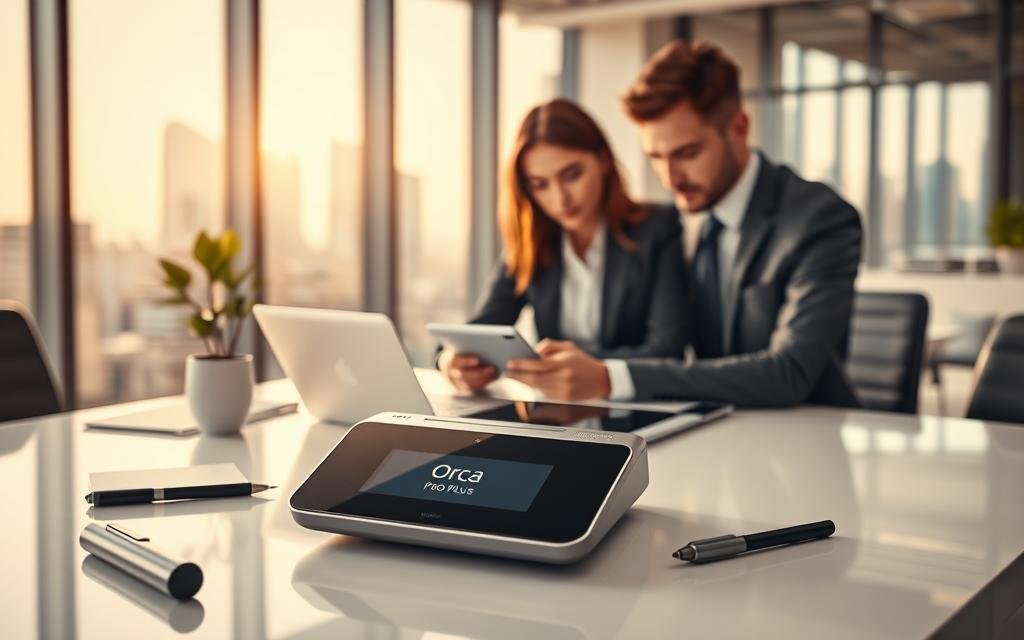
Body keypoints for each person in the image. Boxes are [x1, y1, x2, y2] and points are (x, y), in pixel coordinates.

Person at [506, 40, 863, 408]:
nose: (670, 179)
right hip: (712, 431)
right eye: (656, 157)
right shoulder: (682, 219)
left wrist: (610, 377)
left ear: (739, 127)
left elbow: (789, 373)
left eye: (687, 154)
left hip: (807, 438)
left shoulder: (818, 219)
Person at [440, 99, 689, 393]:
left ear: (604, 161)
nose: (560, 199)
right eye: (540, 184)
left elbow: (667, 349)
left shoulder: (658, 229)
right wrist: (451, 362)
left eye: (571, 175)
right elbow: (476, 333)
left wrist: (593, 370)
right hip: (558, 411)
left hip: (638, 406)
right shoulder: (533, 242)